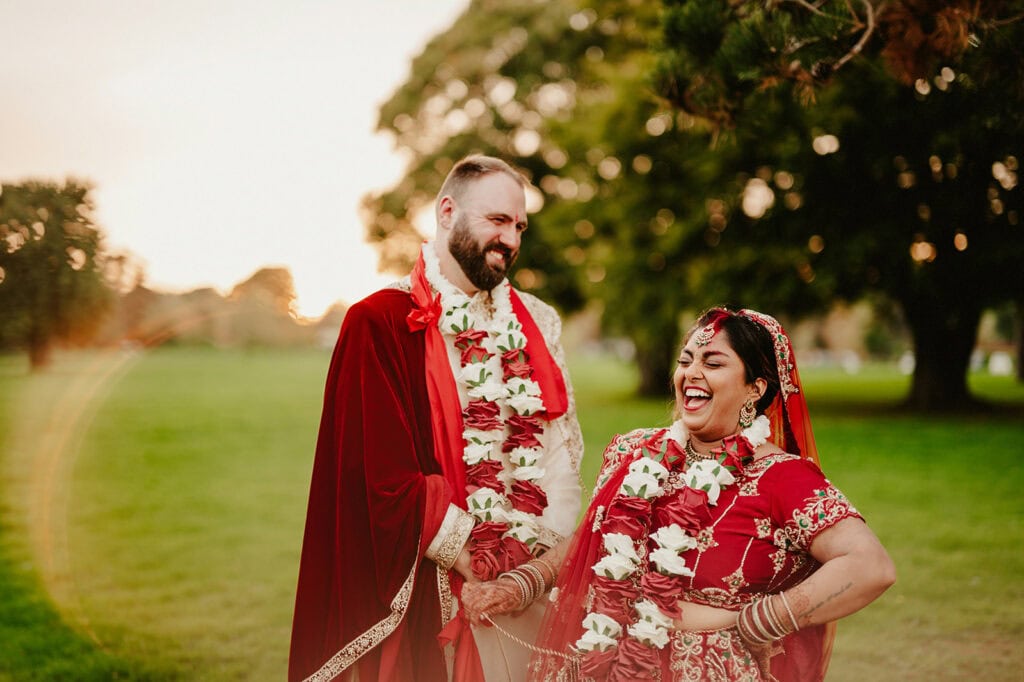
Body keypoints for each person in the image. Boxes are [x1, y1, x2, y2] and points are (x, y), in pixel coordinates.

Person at [462, 307, 895, 681]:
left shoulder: (781, 476)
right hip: (601, 659)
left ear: (756, 389)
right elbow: (590, 539)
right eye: (686, 359)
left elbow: (870, 565)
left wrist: (759, 622)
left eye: (714, 362)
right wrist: (519, 586)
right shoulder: (634, 451)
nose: (692, 373)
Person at [288, 155, 584, 682]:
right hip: (433, 589)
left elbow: (557, 448)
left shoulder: (539, 321)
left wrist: (531, 567)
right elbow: (377, 475)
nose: (511, 240)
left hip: (526, 586)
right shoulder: (379, 321)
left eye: (519, 227)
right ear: (447, 211)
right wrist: (473, 559)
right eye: (497, 220)